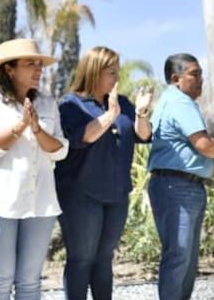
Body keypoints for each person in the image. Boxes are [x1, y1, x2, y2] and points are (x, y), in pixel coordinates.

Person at [0, 38, 67, 300]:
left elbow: (60, 150)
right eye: (29, 64)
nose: (38, 69)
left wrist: (36, 128)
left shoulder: (47, 103)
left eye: (39, 64)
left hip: (41, 203)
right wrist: (21, 126)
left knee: (30, 282)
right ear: (9, 69)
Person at [56, 46, 154, 300]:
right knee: (81, 259)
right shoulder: (71, 103)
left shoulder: (122, 103)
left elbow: (143, 135)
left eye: (117, 71)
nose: (117, 78)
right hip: (80, 194)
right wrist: (110, 115)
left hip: (116, 193)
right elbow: (83, 137)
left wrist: (141, 112)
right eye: (111, 72)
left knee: (103, 260)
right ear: (94, 71)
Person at [147, 53, 214, 300]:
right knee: (179, 256)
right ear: (176, 79)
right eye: (195, 74)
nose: (201, 80)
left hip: (180, 186)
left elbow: (187, 148)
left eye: (201, 74)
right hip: (176, 188)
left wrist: (211, 169)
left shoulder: (173, 102)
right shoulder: (181, 103)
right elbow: (203, 145)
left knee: (184, 258)